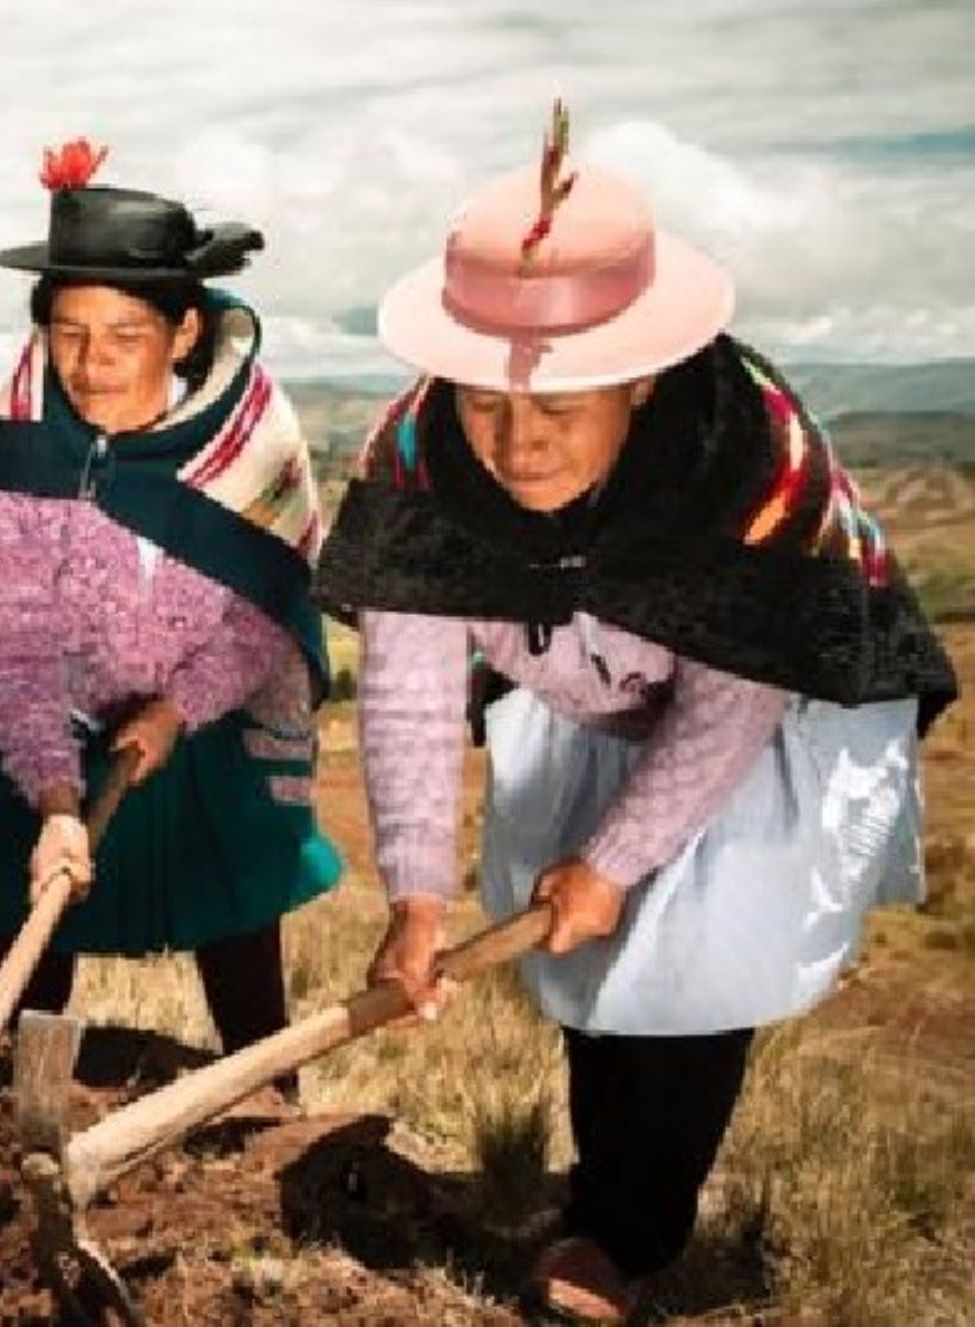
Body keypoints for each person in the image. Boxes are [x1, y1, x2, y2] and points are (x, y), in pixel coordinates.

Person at [313, 104, 957, 1322]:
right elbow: (405, 684)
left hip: (777, 703)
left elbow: (731, 692)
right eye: (487, 405)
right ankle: (606, 1180)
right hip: (587, 687)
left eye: (559, 411)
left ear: (641, 378)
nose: (515, 445)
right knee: (588, 950)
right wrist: (415, 897)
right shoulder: (414, 467)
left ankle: (626, 1232)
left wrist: (613, 857)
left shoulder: (743, 467)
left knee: (688, 958)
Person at [0, 141, 343, 1069]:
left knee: (238, 940)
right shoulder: (8, 443)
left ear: (183, 333)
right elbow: (11, 640)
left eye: (124, 335)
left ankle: (267, 1122)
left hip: (214, 722)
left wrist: (174, 708)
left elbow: (263, 611)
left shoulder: (251, 440)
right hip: (42, 728)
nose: (92, 361)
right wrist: (58, 799)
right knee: (23, 921)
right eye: (69, 331)